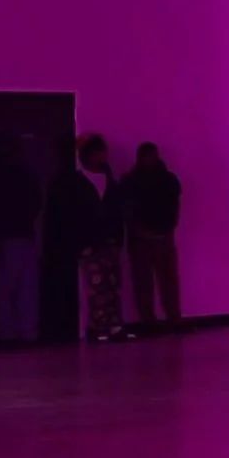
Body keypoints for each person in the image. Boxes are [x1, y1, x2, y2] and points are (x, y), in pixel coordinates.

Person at [47, 134, 132, 342]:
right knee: (95, 286)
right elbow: (71, 215)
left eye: (102, 151)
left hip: (110, 241)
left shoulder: (110, 181)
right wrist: (79, 243)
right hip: (89, 242)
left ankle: (114, 324)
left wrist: (118, 238)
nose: (101, 155)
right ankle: (98, 326)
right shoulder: (75, 183)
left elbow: (117, 211)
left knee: (113, 284)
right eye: (96, 151)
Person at [0, 136, 42, 343]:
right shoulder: (27, 176)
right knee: (27, 289)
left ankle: (8, 333)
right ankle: (27, 331)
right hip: (23, 234)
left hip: (3, 237)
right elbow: (35, 203)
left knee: (4, 290)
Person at [120, 142, 183, 333]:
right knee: (155, 281)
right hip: (152, 236)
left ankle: (158, 321)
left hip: (150, 236)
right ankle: (164, 320)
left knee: (156, 281)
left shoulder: (131, 181)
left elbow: (128, 210)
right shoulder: (167, 179)